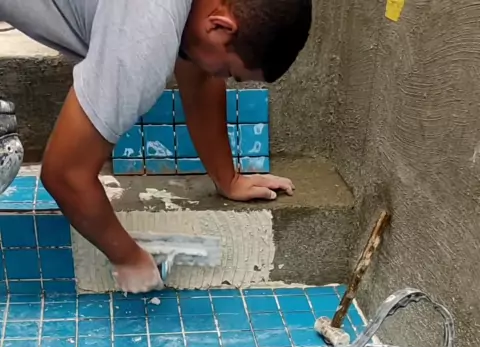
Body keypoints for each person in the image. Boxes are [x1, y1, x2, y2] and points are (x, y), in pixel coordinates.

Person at [0, 0, 311, 292]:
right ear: (219, 26)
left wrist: (228, 179)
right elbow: (66, 175)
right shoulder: (144, 39)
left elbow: (199, 77)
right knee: (5, 152)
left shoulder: (194, 16)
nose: (221, 76)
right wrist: (128, 258)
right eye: (228, 71)